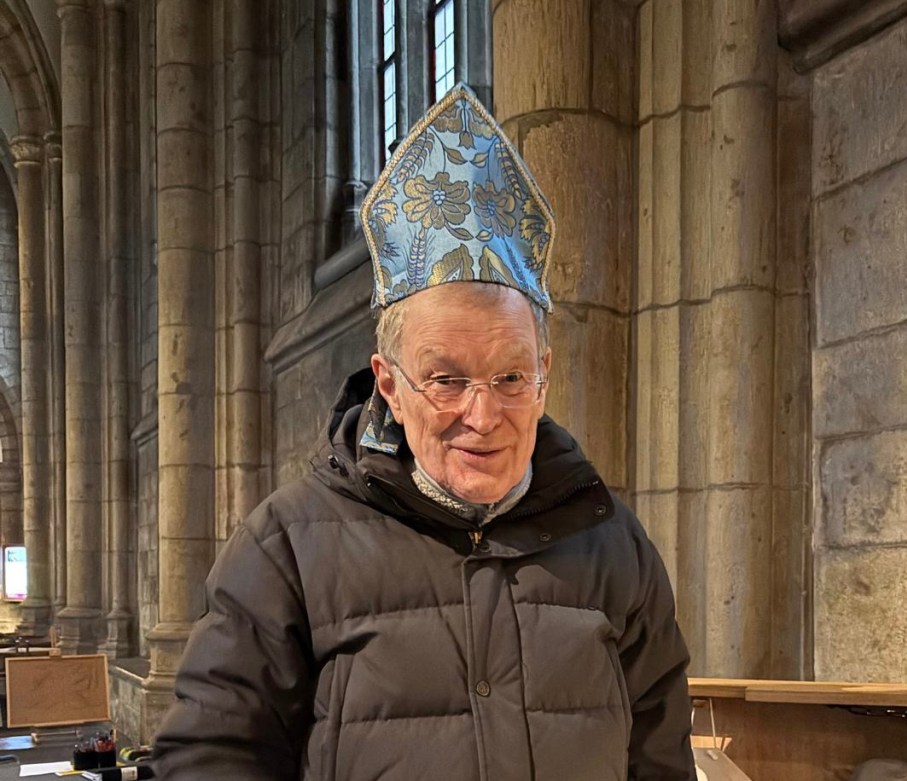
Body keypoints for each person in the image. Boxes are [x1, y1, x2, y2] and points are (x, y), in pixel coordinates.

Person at [154, 83, 695, 780]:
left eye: (510, 376)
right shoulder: (284, 549)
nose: (483, 416)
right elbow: (210, 758)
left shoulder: (615, 545)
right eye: (446, 379)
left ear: (545, 373)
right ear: (389, 384)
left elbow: (660, 761)